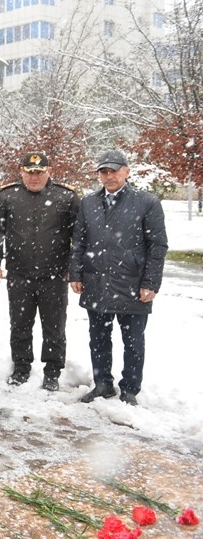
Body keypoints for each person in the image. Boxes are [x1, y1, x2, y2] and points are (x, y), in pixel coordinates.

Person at [70, 150, 167, 407]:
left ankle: (130, 389)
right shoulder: (88, 203)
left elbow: (157, 245)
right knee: (98, 338)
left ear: (126, 171)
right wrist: (76, 273)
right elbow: (79, 242)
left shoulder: (146, 202)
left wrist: (151, 282)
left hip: (133, 284)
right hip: (96, 282)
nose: (109, 176)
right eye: (104, 171)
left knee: (133, 341)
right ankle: (102, 384)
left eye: (114, 170)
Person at [0, 152, 80, 391]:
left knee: (54, 326)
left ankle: (52, 372)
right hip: (19, 273)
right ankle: (21, 367)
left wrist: (74, 268)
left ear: (48, 171)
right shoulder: (8, 196)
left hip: (54, 274)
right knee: (19, 324)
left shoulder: (66, 197)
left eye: (39, 172)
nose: (34, 177)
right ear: (21, 172)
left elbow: (78, 237)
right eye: (29, 172)